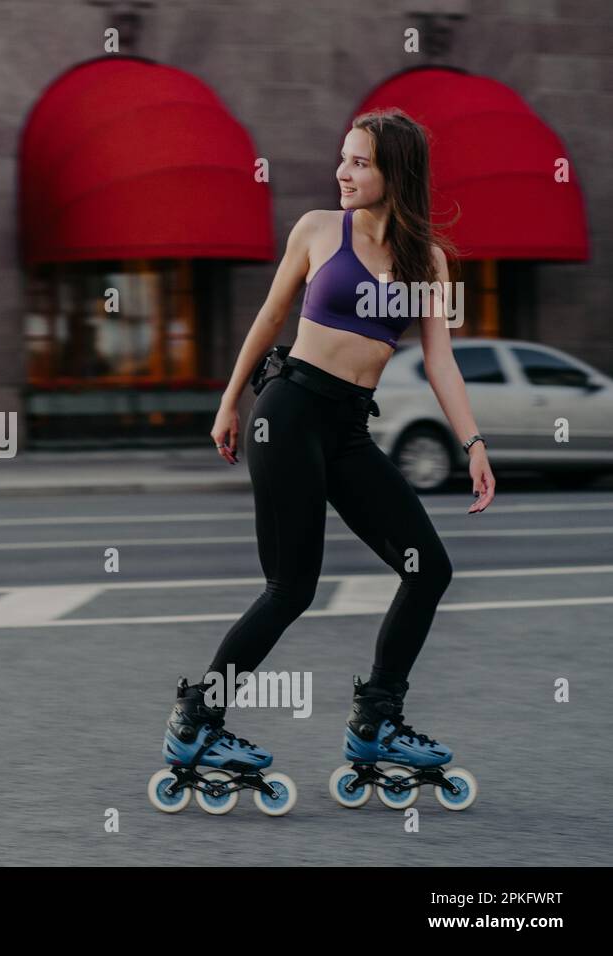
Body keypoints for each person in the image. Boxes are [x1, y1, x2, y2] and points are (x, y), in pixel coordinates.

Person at [154, 109, 495, 814]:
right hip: (289, 412)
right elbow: (270, 316)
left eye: (361, 163)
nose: (343, 172)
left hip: (347, 430)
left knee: (428, 569)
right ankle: (197, 722)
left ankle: (376, 722)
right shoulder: (316, 229)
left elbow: (441, 362)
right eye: (343, 158)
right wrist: (228, 403)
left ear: (395, 173)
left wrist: (474, 445)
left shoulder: (425, 260)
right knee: (291, 587)